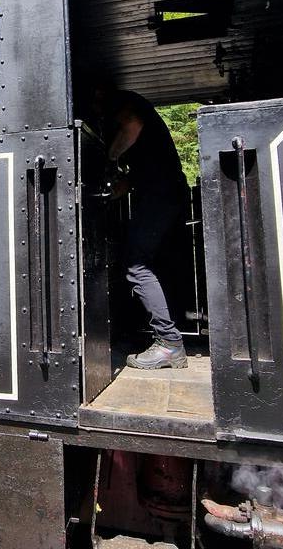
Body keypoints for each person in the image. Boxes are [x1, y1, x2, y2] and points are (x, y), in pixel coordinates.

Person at [95, 85, 190, 370]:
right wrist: (115, 190)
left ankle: (169, 343)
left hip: (160, 195)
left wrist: (109, 157)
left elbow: (131, 126)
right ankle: (160, 335)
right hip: (167, 193)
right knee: (151, 264)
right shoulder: (134, 111)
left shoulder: (119, 101)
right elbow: (140, 172)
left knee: (136, 265)